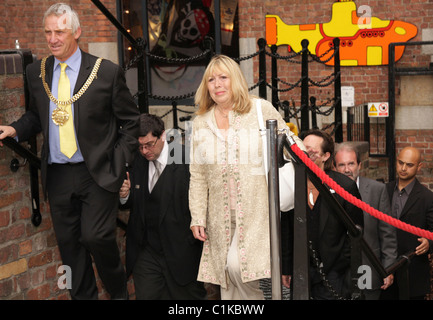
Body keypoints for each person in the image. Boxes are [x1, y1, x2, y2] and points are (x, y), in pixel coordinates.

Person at [0, 3, 139, 299]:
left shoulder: (106, 72)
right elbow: (37, 117)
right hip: (58, 175)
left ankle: (119, 294)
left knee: (97, 236)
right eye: (48, 32)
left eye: (60, 31)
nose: (53, 38)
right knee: (70, 249)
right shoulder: (35, 72)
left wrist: (117, 163)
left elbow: (131, 124)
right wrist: (15, 129)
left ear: (76, 31)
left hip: (98, 174)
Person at [188, 54, 304, 300]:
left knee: (237, 267)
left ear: (236, 80)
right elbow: (197, 174)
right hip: (219, 214)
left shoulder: (259, 109)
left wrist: (305, 153)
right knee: (227, 281)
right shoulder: (201, 123)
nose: (217, 84)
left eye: (223, 78)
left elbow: (289, 142)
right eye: (211, 80)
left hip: (256, 209)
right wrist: (197, 215)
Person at [119, 113, 206, 300]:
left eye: (149, 144)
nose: (144, 151)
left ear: (163, 135)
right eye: (140, 146)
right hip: (146, 253)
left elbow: (201, 201)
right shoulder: (136, 160)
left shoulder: (187, 159)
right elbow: (136, 203)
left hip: (181, 254)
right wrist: (125, 196)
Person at [282, 129, 364, 300]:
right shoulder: (290, 185)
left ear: (326, 156)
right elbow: (287, 229)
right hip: (301, 271)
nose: (307, 152)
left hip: (334, 273)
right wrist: (287, 268)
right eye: (304, 148)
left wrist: (340, 263)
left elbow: (355, 232)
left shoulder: (344, 187)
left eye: (312, 150)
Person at [334, 142, 397, 300]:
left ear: (359, 165)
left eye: (351, 164)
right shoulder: (328, 190)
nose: (347, 169)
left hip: (367, 267)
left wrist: (388, 269)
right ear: (334, 167)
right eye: (341, 165)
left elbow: (387, 234)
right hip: (337, 271)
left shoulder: (377, 190)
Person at [382, 146, 433, 300]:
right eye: (400, 163)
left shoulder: (427, 197)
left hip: (414, 271)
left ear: (419, 166)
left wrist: (429, 243)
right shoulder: (384, 190)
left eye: (409, 165)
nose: (403, 168)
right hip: (385, 269)